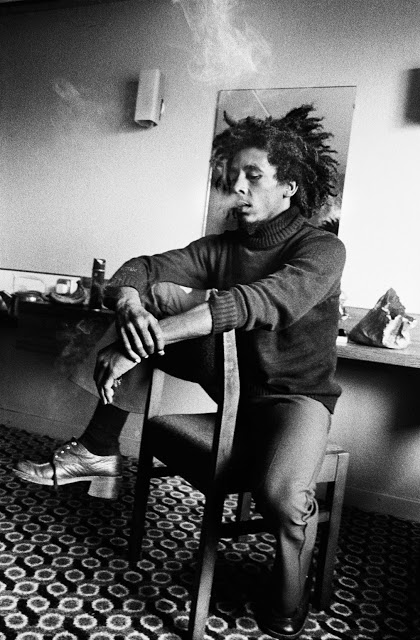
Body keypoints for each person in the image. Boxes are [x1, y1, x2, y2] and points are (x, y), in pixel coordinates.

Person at [15, 105, 345, 639]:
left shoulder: (323, 248)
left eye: (253, 175)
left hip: (293, 399)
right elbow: (141, 268)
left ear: (289, 185)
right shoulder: (221, 248)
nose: (237, 187)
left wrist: (145, 344)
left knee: (282, 498)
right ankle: (98, 450)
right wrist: (129, 307)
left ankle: (288, 600)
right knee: (144, 308)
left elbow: (258, 302)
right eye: (232, 175)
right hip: (231, 383)